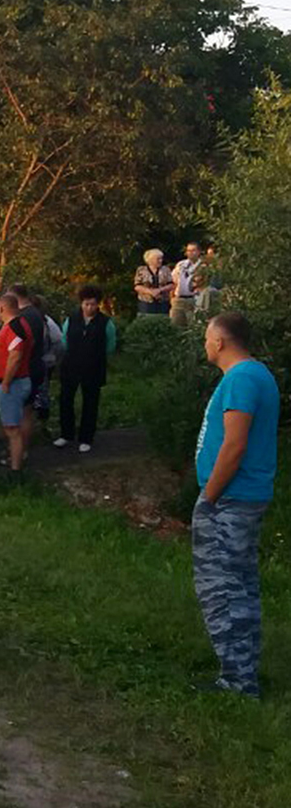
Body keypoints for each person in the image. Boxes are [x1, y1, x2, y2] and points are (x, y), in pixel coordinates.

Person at [192, 312, 280, 697]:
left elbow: (234, 445)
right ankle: (243, 670)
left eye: (207, 338)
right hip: (242, 497)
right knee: (240, 583)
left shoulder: (241, 379)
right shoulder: (256, 374)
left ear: (221, 342)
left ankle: (238, 681)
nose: (205, 344)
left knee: (222, 588)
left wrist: (209, 496)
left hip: (230, 499)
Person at [54, 286, 116, 453]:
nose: (89, 308)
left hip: (93, 367)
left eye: (93, 304)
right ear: (81, 303)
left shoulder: (106, 323)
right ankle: (66, 434)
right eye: (86, 304)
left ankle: (86, 437)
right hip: (71, 365)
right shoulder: (71, 319)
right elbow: (64, 340)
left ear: (98, 304)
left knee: (90, 402)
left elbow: (110, 345)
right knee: (66, 400)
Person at [0, 294, 34, 477]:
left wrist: (6, 382)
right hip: (15, 381)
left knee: (12, 428)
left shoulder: (14, 327)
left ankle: (15, 469)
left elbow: (15, 355)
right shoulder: (17, 325)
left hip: (13, 383)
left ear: (2, 308)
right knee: (15, 424)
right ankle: (15, 459)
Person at [8, 285, 50, 439]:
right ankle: (21, 446)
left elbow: (20, 344)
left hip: (26, 367)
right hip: (34, 364)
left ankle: (20, 447)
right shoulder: (35, 313)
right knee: (27, 409)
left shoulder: (25, 316)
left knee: (23, 411)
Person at [134, 249, 173, 317]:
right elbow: (137, 286)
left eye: (161, 258)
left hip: (163, 302)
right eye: (158, 259)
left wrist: (159, 290)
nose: (160, 261)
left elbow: (171, 285)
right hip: (146, 302)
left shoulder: (166, 269)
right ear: (150, 259)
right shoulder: (141, 270)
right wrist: (150, 292)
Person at [171, 243, 203, 326]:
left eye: (193, 250)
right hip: (179, 299)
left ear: (199, 252)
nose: (190, 253)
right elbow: (173, 281)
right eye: (188, 250)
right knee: (176, 324)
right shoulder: (181, 264)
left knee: (193, 325)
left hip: (195, 299)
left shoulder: (204, 266)